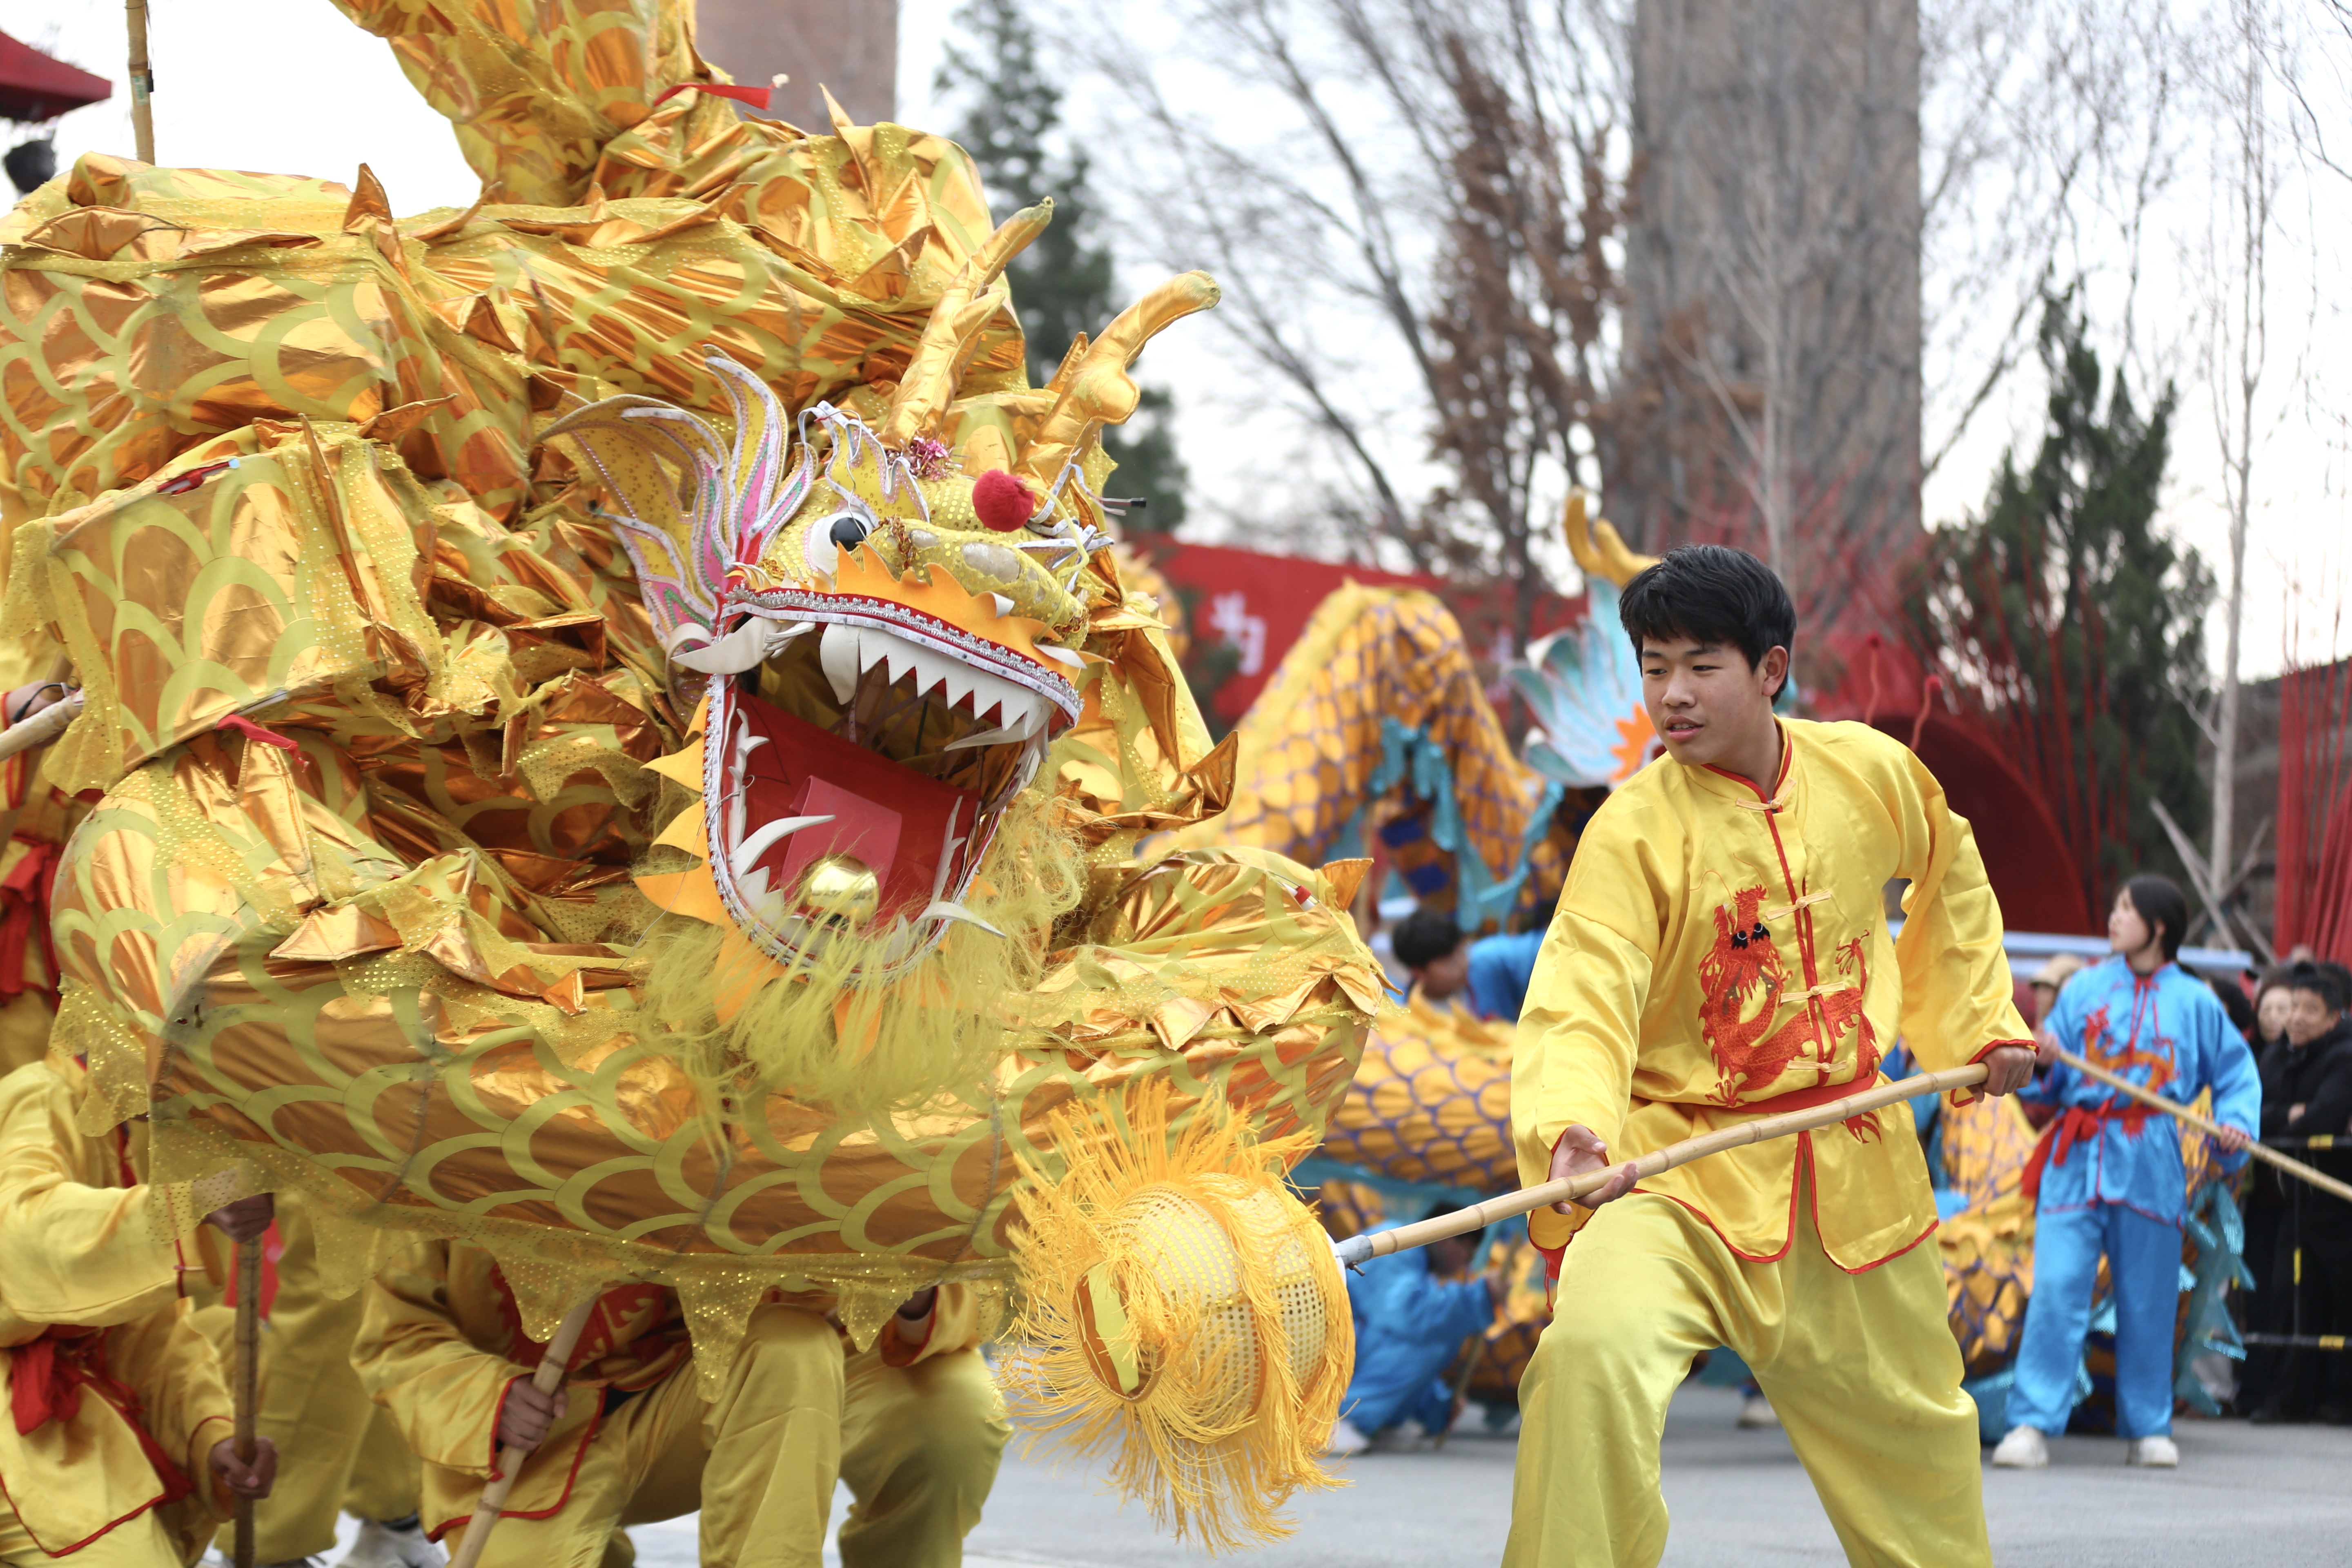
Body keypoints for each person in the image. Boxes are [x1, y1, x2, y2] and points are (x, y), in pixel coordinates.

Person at [1507, 544, 2038, 1567]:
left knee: (1919, 1437)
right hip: (1668, 1172)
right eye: (1652, 665)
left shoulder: (1869, 772)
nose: (1670, 694)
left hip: (1848, 1162)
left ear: (1769, 667)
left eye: (1699, 664)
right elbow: (1582, 985)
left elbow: (1949, 869)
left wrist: (1978, 1020)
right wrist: (1571, 1123)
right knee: (1585, 1358)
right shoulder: (1628, 831)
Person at [352, 1241, 1008, 1566]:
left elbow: (984, 1291)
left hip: (740, 1385)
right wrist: (490, 1398)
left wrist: (917, 1296)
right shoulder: (451, 1108)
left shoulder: (826, 1085)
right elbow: (395, 1338)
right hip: (541, 1440)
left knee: (948, 1407)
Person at [1991, 875, 2260, 1469]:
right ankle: (2031, 1423)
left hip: (2152, 1162)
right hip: (2077, 1156)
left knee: (2148, 1299)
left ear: (2158, 927)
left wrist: (2236, 1127)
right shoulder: (2085, 988)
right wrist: (2048, 1060)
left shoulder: (2194, 1002)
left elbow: (2238, 1076)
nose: (2112, 919)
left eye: (2125, 910)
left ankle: (2147, 1426)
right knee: (2058, 1289)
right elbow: (2052, 1080)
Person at [0, 1055, 279, 1564]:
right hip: (19, 1413)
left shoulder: (134, 1121)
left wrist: (212, 1440)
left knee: (231, 1339)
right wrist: (188, 1203)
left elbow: (146, 1331)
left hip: (70, 1410)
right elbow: (19, 1245)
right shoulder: (44, 1092)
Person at [2247, 960, 2352, 1425]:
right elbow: (2255, 1116)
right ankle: (2287, 1399)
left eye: (2312, 1010)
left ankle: (2342, 1399)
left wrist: (2288, 1118)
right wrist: (2291, 1115)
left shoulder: (2344, 1056)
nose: (2298, 1018)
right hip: (2293, 1203)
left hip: (2337, 1198)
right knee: (2289, 1296)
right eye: (2295, 1008)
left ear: (2335, 1018)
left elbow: (2326, 1118)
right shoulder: (2276, 1056)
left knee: (2343, 1297)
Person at [1326, 1202, 1501, 1455]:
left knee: (1438, 1334)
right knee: (1430, 1340)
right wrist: (1481, 1296)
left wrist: (1440, 1406)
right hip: (1323, 1350)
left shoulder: (1416, 1262)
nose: (1468, 1263)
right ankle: (1345, 1418)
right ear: (1449, 1241)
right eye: (1469, 1253)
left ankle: (1381, 1421)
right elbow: (1409, 1318)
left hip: (1348, 1346)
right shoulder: (1394, 1246)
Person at [1390, 909, 1546, 1022]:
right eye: (1448, 962)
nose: (1462, 964)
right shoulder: (1410, 1021)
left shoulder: (1485, 960)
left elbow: (1554, 947)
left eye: (1461, 951)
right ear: (1419, 972)